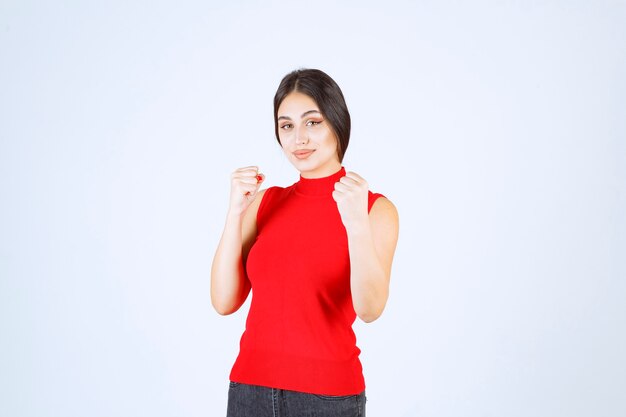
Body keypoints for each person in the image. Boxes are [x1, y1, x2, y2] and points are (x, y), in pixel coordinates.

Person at [211, 68, 399, 417]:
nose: (299, 138)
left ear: (337, 123)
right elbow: (223, 301)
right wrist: (234, 213)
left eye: (312, 122)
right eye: (287, 126)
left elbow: (370, 309)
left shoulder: (375, 209)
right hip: (249, 391)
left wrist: (355, 222)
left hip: (327, 399)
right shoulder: (266, 202)